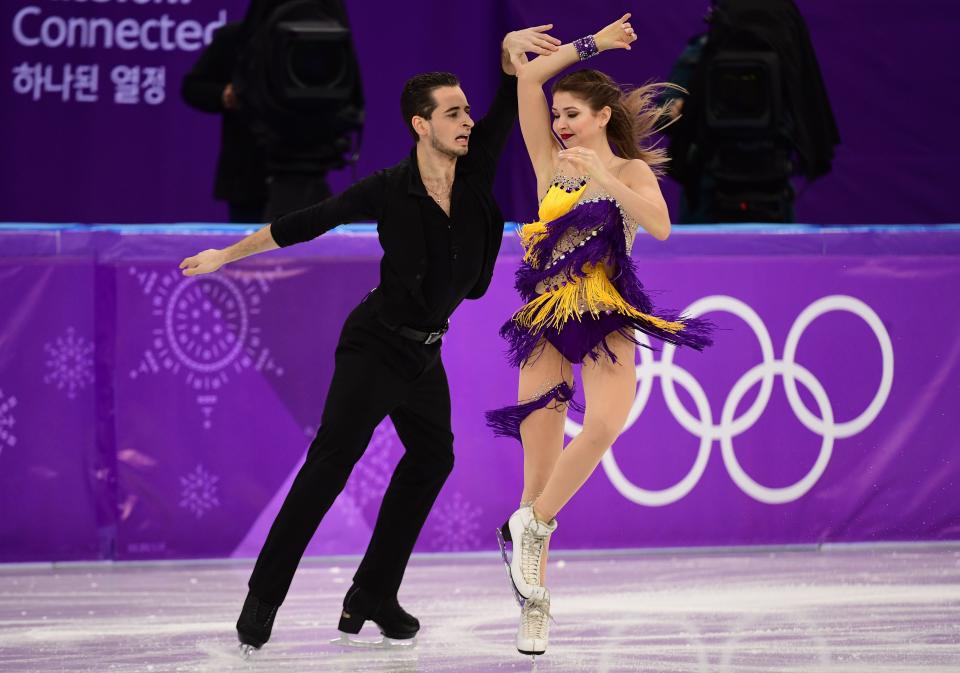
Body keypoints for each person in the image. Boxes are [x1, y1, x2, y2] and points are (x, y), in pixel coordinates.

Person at [178, 24, 562, 653]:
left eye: (467, 110)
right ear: (421, 124)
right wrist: (228, 253)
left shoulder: (474, 174)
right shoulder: (386, 189)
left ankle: (373, 593)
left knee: (433, 456)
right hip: (374, 347)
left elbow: (501, 104)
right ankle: (263, 598)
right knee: (329, 469)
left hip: (423, 351)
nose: (468, 121)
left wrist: (505, 59)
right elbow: (304, 223)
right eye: (453, 112)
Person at [484, 14, 713, 657]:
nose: (561, 123)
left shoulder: (634, 173)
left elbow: (660, 227)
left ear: (604, 116)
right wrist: (596, 44)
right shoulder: (547, 163)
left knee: (607, 425)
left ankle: (530, 525)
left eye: (574, 113)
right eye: (557, 113)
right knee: (539, 467)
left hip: (607, 308)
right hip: (549, 314)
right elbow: (527, 77)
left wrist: (607, 176)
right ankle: (535, 607)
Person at [180, 20, 268, 223]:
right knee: (249, 252)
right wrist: (224, 94)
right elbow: (192, 87)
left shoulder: (317, 37)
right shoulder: (238, 37)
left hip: (304, 173)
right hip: (246, 174)